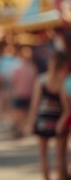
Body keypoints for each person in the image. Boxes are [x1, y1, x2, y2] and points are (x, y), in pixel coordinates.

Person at [27, 51, 69, 180]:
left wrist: (30, 123)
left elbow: (35, 105)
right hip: (58, 120)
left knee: (43, 156)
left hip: (43, 120)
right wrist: (62, 122)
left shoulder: (41, 80)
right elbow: (67, 107)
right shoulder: (63, 82)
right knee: (61, 156)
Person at [10, 46, 38, 137]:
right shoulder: (33, 68)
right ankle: (21, 129)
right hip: (28, 93)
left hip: (20, 93)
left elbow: (14, 81)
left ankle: (19, 129)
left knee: (19, 113)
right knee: (24, 113)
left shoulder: (18, 68)